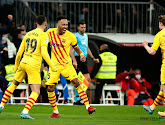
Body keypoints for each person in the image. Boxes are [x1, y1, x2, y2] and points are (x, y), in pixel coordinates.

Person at [0, 15, 57, 119]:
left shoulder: (28, 34)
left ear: (36, 24)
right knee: (36, 91)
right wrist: (52, 66)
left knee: (14, 84)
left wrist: (17, 66)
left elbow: (19, 52)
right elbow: (44, 53)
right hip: (33, 65)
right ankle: (25, 112)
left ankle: (1, 105)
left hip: (23, 62)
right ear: (45, 24)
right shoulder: (44, 36)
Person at [45, 15, 96, 118]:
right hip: (54, 65)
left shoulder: (70, 36)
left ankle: (88, 107)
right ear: (57, 24)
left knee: (76, 82)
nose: (65, 26)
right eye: (63, 24)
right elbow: (42, 41)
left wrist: (81, 54)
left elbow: (76, 48)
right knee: (50, 88)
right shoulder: (50, 32)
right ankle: (55, 112)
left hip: (66, 65)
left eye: (66, 25)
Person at [142, 15, 165, 117]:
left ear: (161, 24)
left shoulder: (160, 35)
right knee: (162, 89)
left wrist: (146, 45)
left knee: (164, 87)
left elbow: (152, 52)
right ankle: (151, 108)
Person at [71, 21, 99, 104]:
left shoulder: (86, 36)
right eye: (82, 27)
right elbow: (71, 49)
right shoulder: (75, 36)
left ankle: (79, 98)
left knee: (83, 79)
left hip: (84, 59)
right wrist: (74, 60)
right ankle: (78, 98)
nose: (83, 29)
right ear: (78, 28)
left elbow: (86, 47)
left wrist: (93, 57)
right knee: (84, 78)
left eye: (84, 27)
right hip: (78, 58)